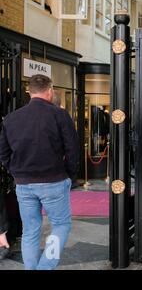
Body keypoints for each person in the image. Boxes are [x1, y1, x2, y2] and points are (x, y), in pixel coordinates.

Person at [0, 74, 79, 270]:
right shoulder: (60, 115)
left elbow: (3, 152)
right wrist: (69, 174)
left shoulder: (11, 119)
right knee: (61, 225)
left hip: (24, 184)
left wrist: (17, 172)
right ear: (50, 91)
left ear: (30, 92)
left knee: (30, 231)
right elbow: (73, 149)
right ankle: (44, 267)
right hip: (54, 181)